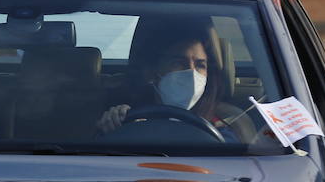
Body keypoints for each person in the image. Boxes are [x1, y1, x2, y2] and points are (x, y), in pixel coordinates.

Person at [96, 19, 254, 141]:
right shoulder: (128, 117)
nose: (191, 73)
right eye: (178, 63)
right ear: (151, 72)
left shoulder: (225, 122)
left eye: (200, 65)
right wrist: (113, 125)